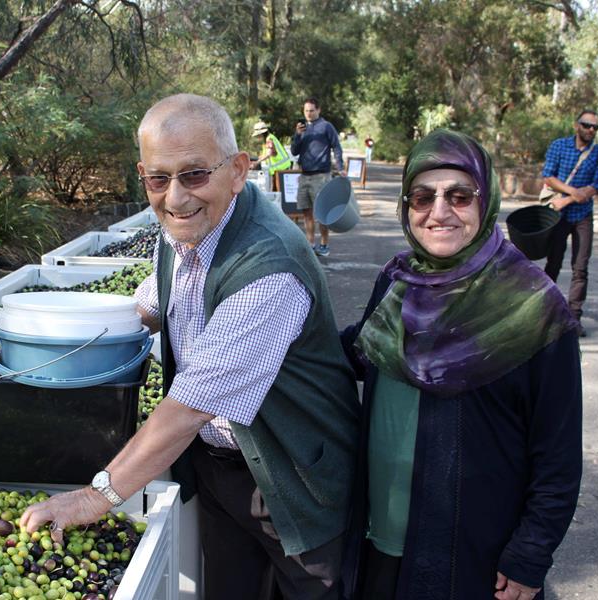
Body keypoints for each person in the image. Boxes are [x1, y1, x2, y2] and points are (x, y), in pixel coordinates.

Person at [21, 93, 361, 600]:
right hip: (220, 471)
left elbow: (189, 408)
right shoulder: (182, 228)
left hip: (294, 481)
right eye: (158, 179)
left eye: (195, 174)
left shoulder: (269, 267)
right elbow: (151, 307)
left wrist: (98, 496)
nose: (175, 197)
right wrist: (51, 355)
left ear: (238, 169)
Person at [339, 130, 582, 600]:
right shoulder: (396, 282)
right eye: (422, 197)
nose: (439, 212)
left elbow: (557, 456)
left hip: (474, 561)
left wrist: (530, 556)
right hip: (379, 544)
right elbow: (358, 351)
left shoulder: (534, 308)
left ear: (485, 200)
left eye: (460, 195)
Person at [541, 109, 598, 337]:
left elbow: (597, 184)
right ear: (576, 125)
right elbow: (548, 177)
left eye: (595, 127)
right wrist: (572, 191)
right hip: (558, 216)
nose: (591, 130)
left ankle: (573, 319)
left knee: (580, 268)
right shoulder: (559, 146)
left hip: (582, 215)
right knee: (553, 264)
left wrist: (569, 198)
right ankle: (545, 316)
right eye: (587, 125)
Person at [291, 97, 344, 257]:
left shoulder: (326, 126)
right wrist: (297, 135)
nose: (308, 113)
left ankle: (324, 244)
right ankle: (310, 244)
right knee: (306, 212)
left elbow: (337, 147)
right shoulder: (302, 128)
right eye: (306, 111)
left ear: (318, 110)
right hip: (304, 175)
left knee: (322, 213)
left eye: (311, 110)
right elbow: (294, 151)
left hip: (321, 175)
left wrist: (340, 167)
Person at [250, 120, 292, 190]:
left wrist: (257, 163)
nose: (258, 137)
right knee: (276, 191)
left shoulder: (269, 139)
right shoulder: (269, 139)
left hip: (281, 168)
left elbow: (269, 153)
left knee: (278, 191)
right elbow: (266, 154)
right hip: (279, 169)